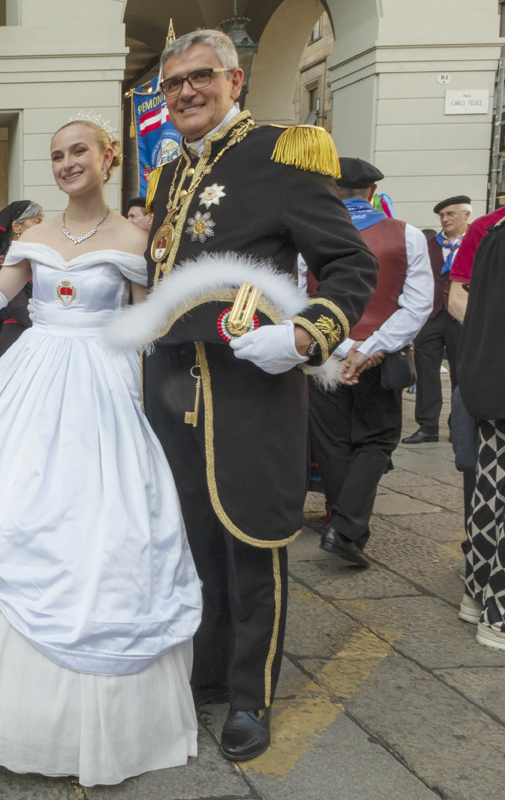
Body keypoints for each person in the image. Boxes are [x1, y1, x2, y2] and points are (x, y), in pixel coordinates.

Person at [0, 114, 202, 786]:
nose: (66, 163)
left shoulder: (136, 235)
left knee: (100, 514)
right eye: (56, 155)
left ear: (108, 157)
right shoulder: (32, 235)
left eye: (78, 150)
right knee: (0, 504)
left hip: (104, 381)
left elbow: (148, 321)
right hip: (29, 375)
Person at [124, 29, 376, 761]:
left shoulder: (283, 151)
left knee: (253, 540)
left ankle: (249, 694)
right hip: (173, 383)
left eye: (200, 77)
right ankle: (206, 670)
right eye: (172, 85)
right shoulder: (171, 173)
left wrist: (305, 336)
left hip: (248, 383)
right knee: (192, 538)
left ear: (234, 81)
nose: (185, 94)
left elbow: (348, 265)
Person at [306, 158, 433, 567]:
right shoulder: (408, 235)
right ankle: (345, 530)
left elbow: (299, 299)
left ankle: (344, 527)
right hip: (380, 359)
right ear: (373, 193)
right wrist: (370, 347)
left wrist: (343, 348)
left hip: (325, 356)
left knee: (333, 443)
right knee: (377, 440)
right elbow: (418, 305)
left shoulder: (310, 235)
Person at [455, 214, 505, 651]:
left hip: (491, 384)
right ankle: (499, 616)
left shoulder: (495, 232)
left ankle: (477, 593)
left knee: (490, 495)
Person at [404, 195, 471, 444]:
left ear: (467, 215)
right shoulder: (428, 244)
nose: (445, 219)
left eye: (450, 214)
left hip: (461, 315)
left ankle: (459, 425)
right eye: (442, 216)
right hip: (431, 315)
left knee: (461, 371)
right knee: (426, 370)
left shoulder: (477, 243)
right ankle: (428, 426)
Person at [0, 201, 43, 359]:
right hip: (16, 341)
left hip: (34, 338)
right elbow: (21, 312)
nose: (43, 227)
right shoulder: (1, 265)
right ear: (17, 227)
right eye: (38, 221)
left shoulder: (33, 262)